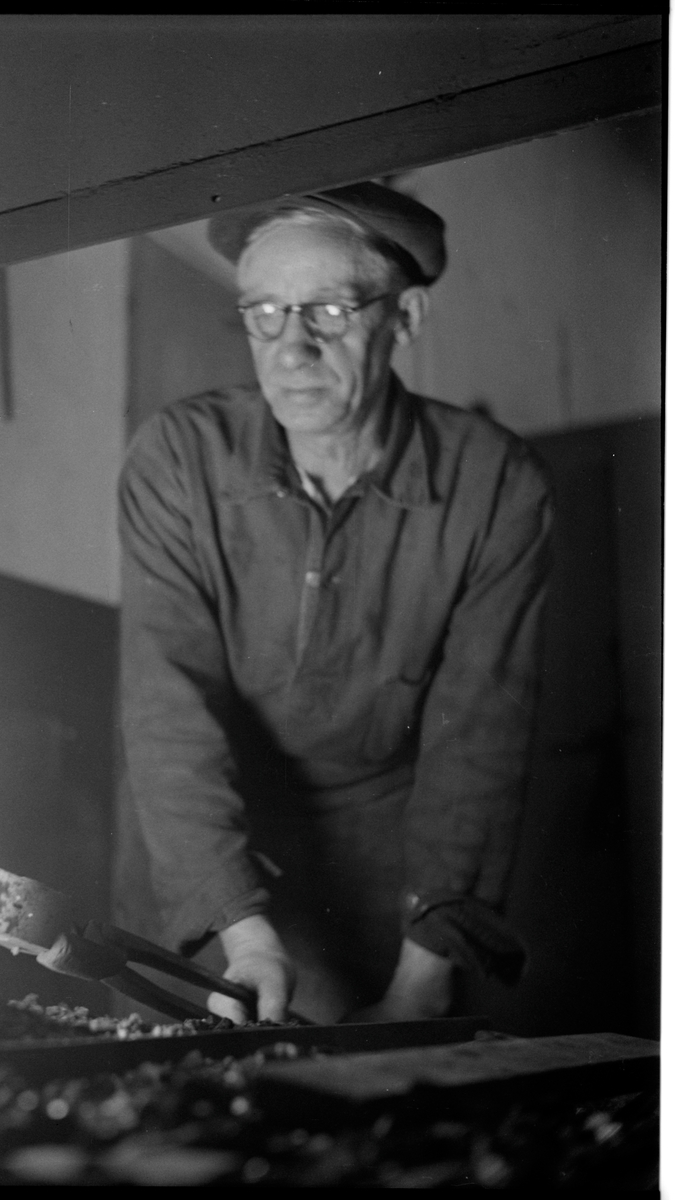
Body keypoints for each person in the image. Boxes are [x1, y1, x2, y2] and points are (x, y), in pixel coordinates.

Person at [117, 182, 553, 1025]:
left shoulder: (496, 483)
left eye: (328, 310)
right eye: (263, 313)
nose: (291, 349)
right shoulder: (177, 458)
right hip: (205, 844)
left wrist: (423, 976)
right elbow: (168, 712)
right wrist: (243, 935)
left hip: (386, 864)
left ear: (405, 318)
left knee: (387, 1085)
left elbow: (480, 737)